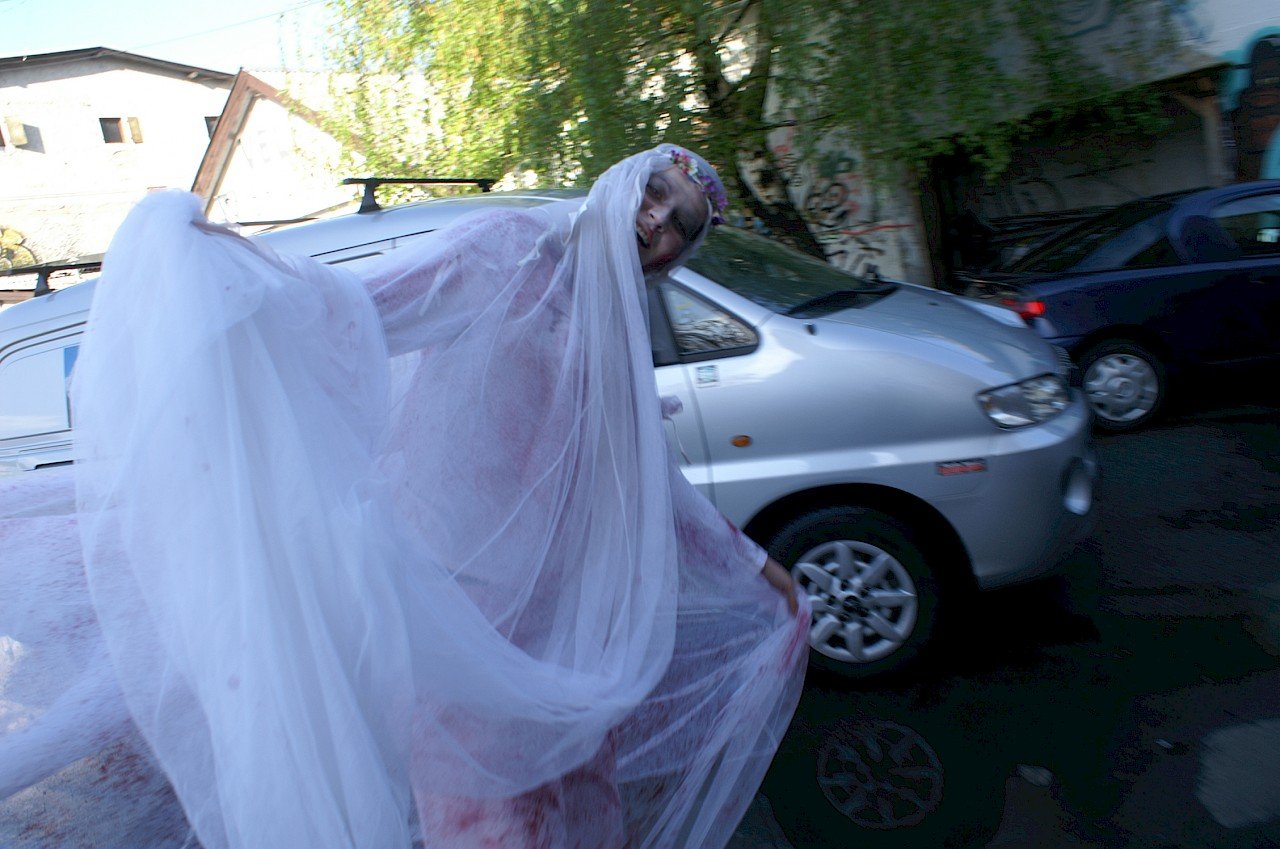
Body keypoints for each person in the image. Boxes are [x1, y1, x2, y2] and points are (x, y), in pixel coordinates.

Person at [0, 144, 807, 849]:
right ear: (619, 183)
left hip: (563, 631)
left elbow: (651, 488)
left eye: (680, 223)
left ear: (677, 255)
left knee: (586, 809)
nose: (656, 219)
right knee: (491, 820)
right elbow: (353, 310)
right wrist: (227, 265)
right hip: (462, 615)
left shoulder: (618, 324)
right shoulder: (506, 250)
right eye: (654, 193)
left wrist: (763, 573)